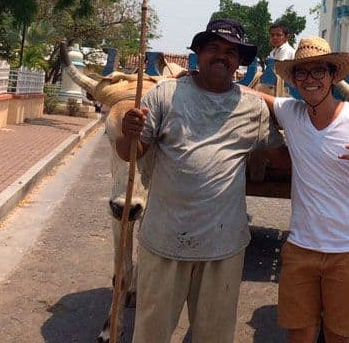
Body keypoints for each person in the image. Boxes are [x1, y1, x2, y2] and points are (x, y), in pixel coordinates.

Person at [117, 18, 287, 343]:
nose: (223, 57)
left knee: (214, 337)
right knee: (150, 335)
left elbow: (284, 158)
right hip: (164, 242)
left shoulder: (252, 107)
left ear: (239, 62)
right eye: (214, 48)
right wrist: (128, 134)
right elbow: (131, 152)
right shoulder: (165, 95)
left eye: (231, 52)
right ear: (198, 53)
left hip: (222, 250)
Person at [244, 36, 349, 343]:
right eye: (301, 73)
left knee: (337, 336)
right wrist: (205, 79)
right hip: (301, 249)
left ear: (333, 76)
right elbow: (250, 96)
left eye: (318, 71)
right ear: (293, 80)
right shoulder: (290, 113)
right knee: (299, 335)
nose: (310, 80)